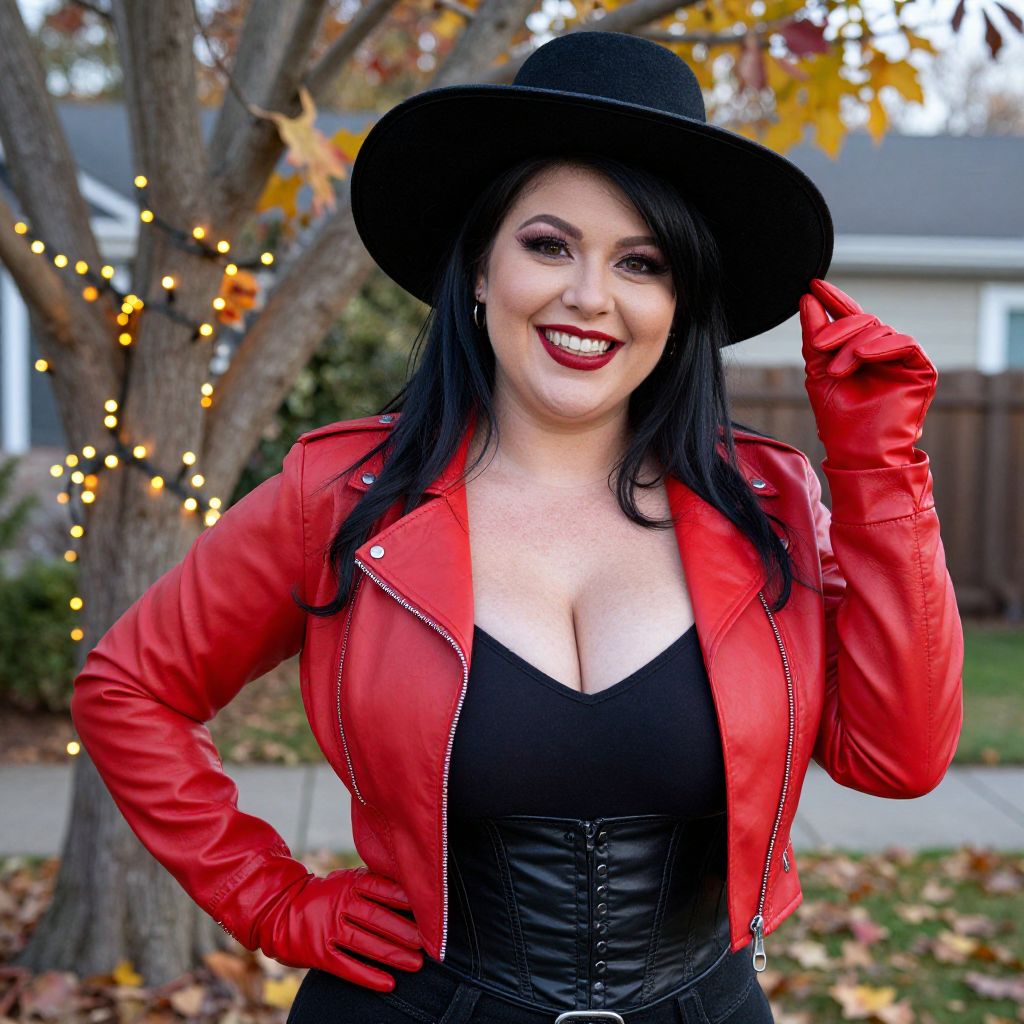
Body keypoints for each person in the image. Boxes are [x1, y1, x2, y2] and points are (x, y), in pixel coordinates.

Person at [71, 29, 964, 1024]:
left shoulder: (771, 506)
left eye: (641, 262)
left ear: (679, 304)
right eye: (548, 245)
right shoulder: (342, 494)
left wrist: (878, 467)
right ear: (479, 267)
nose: (589, 296)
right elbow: (129, 687)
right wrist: (269, 898)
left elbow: (899, 758)